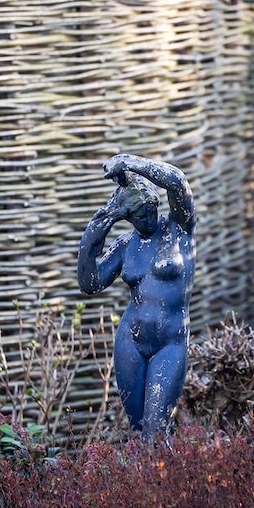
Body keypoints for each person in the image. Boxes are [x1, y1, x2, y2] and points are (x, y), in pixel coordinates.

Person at [77, 153, 196, 439]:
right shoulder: (126, 245)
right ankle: (145, 482)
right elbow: (89, 282)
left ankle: (166, 482)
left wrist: (130, 162)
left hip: (170, 342)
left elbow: (178, 182)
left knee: (155, 431)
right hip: (130, 342)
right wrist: (105, 218)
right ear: (128, 218)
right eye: (138, 214)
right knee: (139, 430)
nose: (148, 217)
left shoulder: (179, 228)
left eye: (151, 208)